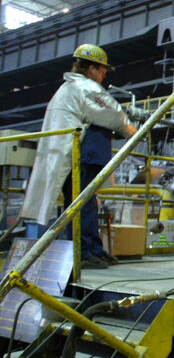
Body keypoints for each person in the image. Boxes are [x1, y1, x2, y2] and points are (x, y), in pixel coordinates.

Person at [20, 44, 144, 269]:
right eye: (103, 69)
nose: (105, 74)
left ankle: (92, 249)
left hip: (78, 153)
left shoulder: (69, 88)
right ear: (92, 69)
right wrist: (134, 132)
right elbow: (112, 113)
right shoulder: (86, 87)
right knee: (82, 204)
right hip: (82, 154)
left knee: (85, 204)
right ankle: (84, 252)